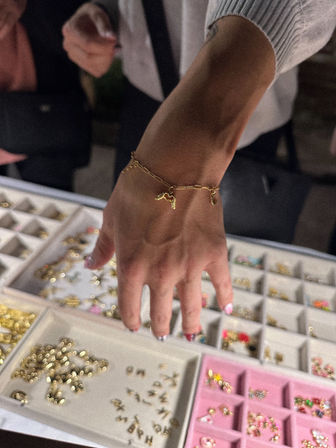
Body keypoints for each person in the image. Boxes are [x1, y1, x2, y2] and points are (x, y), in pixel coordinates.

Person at [63, 1, 336, 341]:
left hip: (249, 102)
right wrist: (106, 11)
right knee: (140, 245)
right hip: (144, 88)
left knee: (232, 255)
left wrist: (201, 123)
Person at [0, 0, 91, 191]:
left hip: (46, 107)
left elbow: (80, 26)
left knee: (53, 202)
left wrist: (26, 4)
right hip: (44, 108)